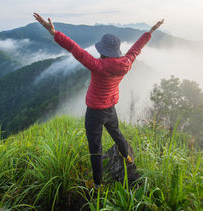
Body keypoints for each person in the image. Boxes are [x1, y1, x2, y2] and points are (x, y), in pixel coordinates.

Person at [33, 12, 164, 188]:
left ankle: (97, 184)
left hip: (95, 112)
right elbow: (136, 49)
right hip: (111, 108)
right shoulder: (126, 63)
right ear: (117, 51)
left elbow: (75, 50)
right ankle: (127, 157)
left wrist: (54, 33)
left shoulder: (98, 66)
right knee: (117, 133)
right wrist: (150, 31)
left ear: (102, 51)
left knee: (95, 147)